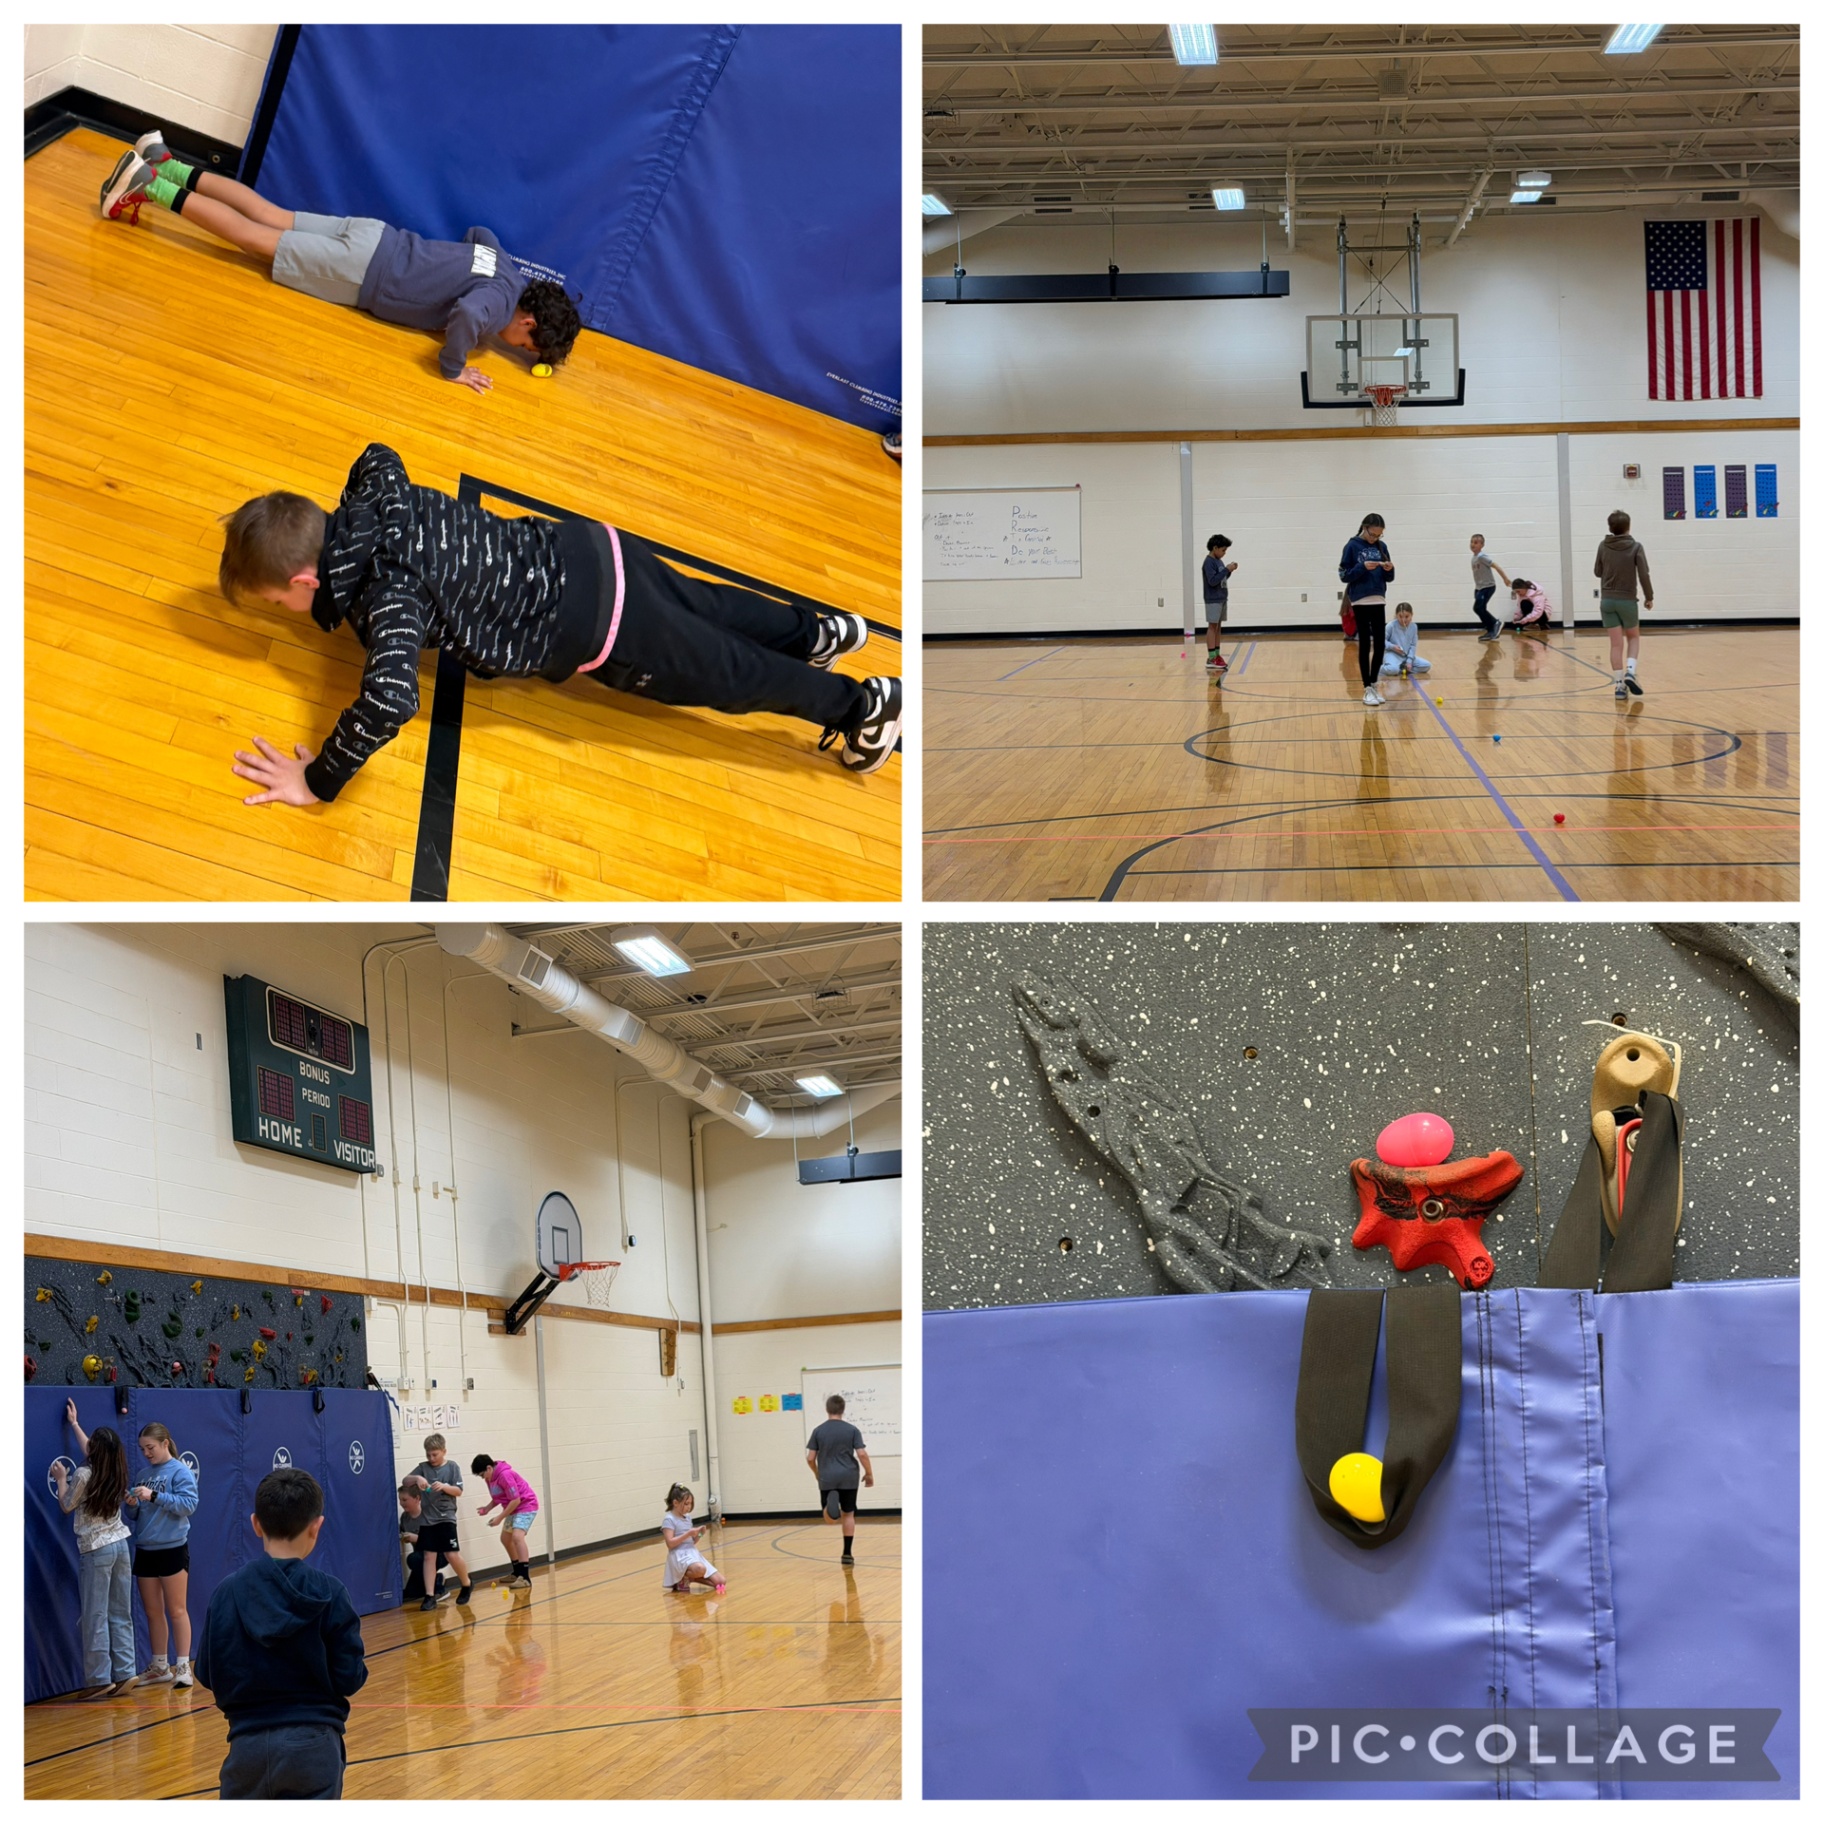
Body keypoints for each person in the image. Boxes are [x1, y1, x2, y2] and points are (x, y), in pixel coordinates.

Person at [220, 444, 902, 807]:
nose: (289, 615)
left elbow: (390, 699)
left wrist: (319, 780)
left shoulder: (387, 600)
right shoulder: (375, 493)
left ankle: (863, 706)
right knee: (707, 605)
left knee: (727, 674)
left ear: (307, 581)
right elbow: (378, 452)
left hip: (599, 624)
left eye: (281, 603)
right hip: (591, 548)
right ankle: (817, 633)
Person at [99, 130, 579, 391]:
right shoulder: (496, 307)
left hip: (378, 237)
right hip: (363, 273)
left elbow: (478, 234)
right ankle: (150, 186)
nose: (516, 348)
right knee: (252, 238)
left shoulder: (507, 271)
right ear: (529, 320)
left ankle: (165, 161)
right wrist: (455, 368)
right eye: (526, 346)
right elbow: (471, 314)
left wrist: (442, 272)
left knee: (269, 213)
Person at [194, 1467, 369, 1801]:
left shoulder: (226, 1593)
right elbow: (349, 1678)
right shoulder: (331, 1592)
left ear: (256, 1523)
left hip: (246, 1747)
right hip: (315, 1745)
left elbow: (206, 1672)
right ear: (317, 1527)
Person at [52, 1400, 138, 1699]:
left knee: (94, 1615)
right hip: (120, 1547)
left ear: (95, 1452)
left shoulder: (84, 1475)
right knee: (120, 1612)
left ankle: (99, 1678)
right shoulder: (116, 1470)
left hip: (96, 1550)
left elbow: (66, 1505)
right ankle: (126, 1672)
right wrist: (75, 1424)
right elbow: (93, 1448)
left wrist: (62, 1479)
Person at [126, 1420, 198, 1690]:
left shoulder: (179, 1471)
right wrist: (133, 1504)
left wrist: (155, 1495)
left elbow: (189, 1505)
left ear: (165, 1443)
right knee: (152, 1611)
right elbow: (136, 1515)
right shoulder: (143, 1473)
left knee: (176, 1609)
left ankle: (182, 1665)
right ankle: (159, 1665)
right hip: (145, 1548)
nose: (146, 1453)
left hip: (172, 1548)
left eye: (151, 1447)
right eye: (143, 1448)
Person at [403, 1433, 472, 1611]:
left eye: (435, 1454)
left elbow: (458, 1491)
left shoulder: (452, 1467)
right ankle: (430, 1595)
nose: (431, 1458)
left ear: (443, 1451)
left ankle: (466, 1583)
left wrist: (444, 1487)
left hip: (446, 1518)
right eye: (428, 1455)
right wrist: (417, 1479)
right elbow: (405, 1481)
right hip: (428, 1520)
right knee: (428, 1556)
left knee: (451, 1554)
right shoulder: (422, 1468)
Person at [805, 1393, 874, 1566]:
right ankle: (847, 1553)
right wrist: (869, 1473)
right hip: (849, 1476)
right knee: (849, 1514)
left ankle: (830, 1505)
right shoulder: (852, 1430)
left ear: (827, 1409)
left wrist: (817, 1473)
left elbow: (810, 1458)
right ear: (843, 1410)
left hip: (827, 1476)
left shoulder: (818, 1431)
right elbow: (862, 1454)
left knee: (830, 1520)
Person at [1595, 509, 1655, 699]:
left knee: (1615, 644)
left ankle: (1619, 686)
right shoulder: (1636, 547)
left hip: (1607, 600)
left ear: (1610, 528)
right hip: (1627, 600)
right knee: (1634, 637)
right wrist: (1649, 596)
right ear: (1628, 526)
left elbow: (1597, 571)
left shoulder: (1603, 546)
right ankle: (1630, 671)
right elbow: (1644, 574)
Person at [1338, 514, 1395, 707]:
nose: (1374, 539)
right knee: (1364, 644)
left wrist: (1389, 569)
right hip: (1360, 600)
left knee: (1379, 645)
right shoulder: (1352, 546)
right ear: (1364, 527)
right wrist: (1362, 567)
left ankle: (1374, 684)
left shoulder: (1382, 547)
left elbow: (1390, 578)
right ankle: (1366, 688)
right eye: (1372, 534)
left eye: (1379, 536)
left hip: (1379, 598)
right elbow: (1344, 575)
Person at [471, 1454, 539, 1588]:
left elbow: (516, 1500)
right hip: (513, 1509)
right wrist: (487, 1509)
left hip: (526, 1506)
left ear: (489, 1468)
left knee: (517, 1537)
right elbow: (498, 1497)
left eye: (482, 1474)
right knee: (505, 1539)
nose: (482, 1478)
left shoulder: (505, 1475)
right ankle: (517, 1572)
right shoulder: (489, 1479)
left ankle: (525, 1578)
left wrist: (499, 1518)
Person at [660, 1485, 725, 1595]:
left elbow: (691, 1542)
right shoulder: (669, 1519)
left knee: (721, 1581)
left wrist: (699, 1534)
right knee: (700, 1568)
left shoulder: (687, 1517)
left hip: (692, 1552)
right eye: (686, 1504)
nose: (689, 1507)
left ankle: (691, 1578)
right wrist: (688, 1533)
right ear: (675, 1503)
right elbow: (670, 1544)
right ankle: (683, 1577)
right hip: (678, 1555)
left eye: (690, 1503)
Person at [396, 1485, 444, 1605]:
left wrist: (416, 1538)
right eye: (400, 1500)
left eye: (405, 1500)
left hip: (439, 1553)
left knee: (413, 1559)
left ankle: (438, 1587)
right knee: (411, 1592)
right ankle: (434, 1580)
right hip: (420, 1554)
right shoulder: (404, 1517)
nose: (402, 1503)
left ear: (417, 1499)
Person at [1201, 535, 1238, 674]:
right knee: (1212, 626)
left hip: (1222, 598)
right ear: (1215, 548)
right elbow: (1212, 581)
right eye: (1223, 550)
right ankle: (1211, 657)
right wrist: (1226, 569)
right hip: (1213, 599)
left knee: (1218, 627)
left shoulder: (1218, 561)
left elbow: (1222, 577)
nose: (1224, 553)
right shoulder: (1209, 562)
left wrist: (1229, 570)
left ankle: (1217, 654)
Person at [1468, 534, 1512, 641]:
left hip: (1488, 587)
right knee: (1479, 609)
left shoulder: (1481, 557)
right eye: (1471, 542)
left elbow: (1496, 566)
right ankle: (1490, 630)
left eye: (1476, 542)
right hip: (1480, 588)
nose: (1472, 544)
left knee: (1478, 608)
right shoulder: (1473, 558)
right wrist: (1477, 588)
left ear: (1482, 545)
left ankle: (1495, 623)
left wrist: (1505, 579)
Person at [1378, 603, 1433, 680]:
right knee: (1393, 669)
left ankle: (1401, 668)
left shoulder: (1414, 627)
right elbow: (1381, 640)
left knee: (1426, 666)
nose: (1403, 620)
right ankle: (1379, 668)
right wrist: (1392, 647)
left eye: (1407, 616)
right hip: (1392, 654)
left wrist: (1409, 661)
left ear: (1411, 615)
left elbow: (1413, 645)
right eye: (1400, 616)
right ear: (1396, 615)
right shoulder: (1391, 626)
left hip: (1406, 656)